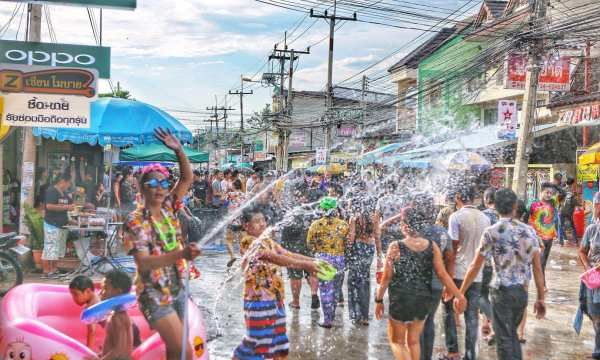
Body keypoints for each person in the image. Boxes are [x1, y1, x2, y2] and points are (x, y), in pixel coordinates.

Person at [124, 128, 201, 360]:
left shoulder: (169, 207)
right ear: (142, 188)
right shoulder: (135, 220)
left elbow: (187, 178)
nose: (159, 188)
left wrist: (178, 150)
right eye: (153, 183)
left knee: (175, 351)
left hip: (177, 287)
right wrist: (181, 254)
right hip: (153, 293)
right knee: (185, 352)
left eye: (164, 183)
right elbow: (144, 262)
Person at [457, 188, 546, 360]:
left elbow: (475, 266)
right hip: (521, 293)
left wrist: (461, 292)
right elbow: (537, 268)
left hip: (501, 292)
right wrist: (540, 298)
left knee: (505, 340)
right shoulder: (529, 231)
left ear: (495, 207)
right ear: (515, 207)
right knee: (510, 335)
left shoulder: (492, 232)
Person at [375, 207, 466, 360]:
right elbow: (442, 274)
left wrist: (379, 299)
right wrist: (459, 295)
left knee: (397, 342)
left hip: (401, 299)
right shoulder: (432, 246)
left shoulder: (396, 246)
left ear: (404, 225)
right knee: (413, 342)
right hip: (423, 299)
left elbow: (386, 277)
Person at [233, 208, 319, 360]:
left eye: (263, 220)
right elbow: (273, 258)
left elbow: (287, 254)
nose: (262, 224)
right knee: (257, 343)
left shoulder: (267, 240)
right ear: (246, 226)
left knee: (279, 342)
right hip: (258, 301)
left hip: (276, 299)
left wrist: (314, 261)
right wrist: (306, 266)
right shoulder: (248, 241)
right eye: (257, 221)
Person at [442, 186, 490, 360]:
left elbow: (452, 249)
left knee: (448, 310)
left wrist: (447, 276)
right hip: (476, 273)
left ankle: (453, 351)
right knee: (472, 315)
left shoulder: (456, 217)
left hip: (458, 272)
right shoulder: (485, 218)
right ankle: (470, 355)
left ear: (458, 197)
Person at [306, 197, 349, 328]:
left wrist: (318, 251)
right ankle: (332, 314)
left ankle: (327, 320)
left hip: (323, 259)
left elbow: (309, 243)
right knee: (336, 289)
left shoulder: (315, 224)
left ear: (322, 209)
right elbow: (348, 243)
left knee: (325, 290)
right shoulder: (343, 225)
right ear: (335, 209)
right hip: (339, 259)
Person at [280, 206, 320, 310]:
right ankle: (314, 293)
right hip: (307, 249)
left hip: (293, 252)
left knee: (295, 276)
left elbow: (283, 240)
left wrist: (283, 252)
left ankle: (296, 302)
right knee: (312, 272)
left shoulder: (288, 220)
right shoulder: (309, 219)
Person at [347, 207, 379, 326]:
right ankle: (365, 316)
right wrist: (379, 255)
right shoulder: (373, 218)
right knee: (365, 281)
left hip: (358, 247)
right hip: (370, 248)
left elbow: (351, 237)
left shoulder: (354, 218)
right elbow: (377, 236)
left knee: (353, 281)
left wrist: (348, 252)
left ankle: (356, 315)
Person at [578, 192, 600, 360]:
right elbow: (582, 251)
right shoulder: (592, 229)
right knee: (594, 313)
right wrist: (589, 267)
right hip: (595, 281)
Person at [43, 171, 74, 278]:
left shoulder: (64, 193)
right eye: (69, 183)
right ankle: (47, 271)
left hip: (62, 224)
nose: (69, 185)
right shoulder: (52, 191)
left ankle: (54, 269)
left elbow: (71, 203)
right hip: (52, 224)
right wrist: (66, 207)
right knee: (50, 247)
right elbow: (49, 206)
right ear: (62, 181)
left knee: (58, 249)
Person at [528, 182, 560, 288]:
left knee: (544, 262)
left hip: (549, 237)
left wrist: (554, 185)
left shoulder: (553, 203)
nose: (549, 195)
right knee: (540, 262)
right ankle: (542, 286)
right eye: (547, 192)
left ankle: (541, 285)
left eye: (551, 193)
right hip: (537, 237)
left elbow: (563, 193)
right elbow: (524, 215)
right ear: (541, 192)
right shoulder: (533, 204)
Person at [100, 270, 136, 360]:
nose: (101, 292)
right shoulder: (116, 314)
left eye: (105, 288)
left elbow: (119, 350)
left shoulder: (118, 317)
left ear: (117, 292)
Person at [480, 187, 498, 343]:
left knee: (481, 295)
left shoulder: (483, 216)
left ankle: (494, 323)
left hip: (483, 262)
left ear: (486, 200)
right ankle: (487, 324)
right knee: (489, 296)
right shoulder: (502, 216)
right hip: (497, 264)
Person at [69, 275, 101, 350]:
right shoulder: (97, 294)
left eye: (75, 294)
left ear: (88, 291)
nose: (73, 298)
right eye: (72, 294)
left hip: (121, 334)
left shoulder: (91, 308)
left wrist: (88, 350)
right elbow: (102, 284)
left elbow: (92, 331)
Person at [225, 179, 247, 267]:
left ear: (234, 186)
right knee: (243, 241)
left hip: (232, 220)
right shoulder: (244, 195)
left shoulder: (231, 194)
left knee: (229, 240)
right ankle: (244, 259)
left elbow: (223, 199)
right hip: (242, 220)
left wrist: (227, 191)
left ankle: (232, 256)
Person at [561, 177, 579, 246]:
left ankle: (565, 240)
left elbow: (559, 199)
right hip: (569, 212)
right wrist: (579, 205)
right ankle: (575, 241)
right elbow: (575, 202)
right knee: (572, 226)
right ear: (572, 183)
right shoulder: (573, 191)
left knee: (562, 226)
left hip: (562, 210)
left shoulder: (562, 190)